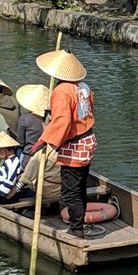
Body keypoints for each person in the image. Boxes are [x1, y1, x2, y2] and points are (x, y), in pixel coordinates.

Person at [31, 50, 96, 238]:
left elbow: (63, 121)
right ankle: (78, 224)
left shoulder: (62, 91)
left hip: (75, 145)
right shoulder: (84, 87)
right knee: (80, 186)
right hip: (87, 141)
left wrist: (46, 140)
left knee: (71, 191)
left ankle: (76, 229)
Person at [15, 84, 49, 169]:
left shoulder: (25, 118)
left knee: (17, 150)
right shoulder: (50, 118)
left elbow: (20, 141)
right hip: (47, 154)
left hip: (29, 155)